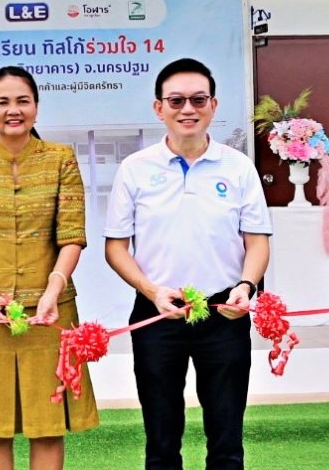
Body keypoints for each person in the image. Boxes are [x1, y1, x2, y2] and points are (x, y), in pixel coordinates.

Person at [104, 58, 272, 470]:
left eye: (198, 99)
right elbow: (116, 248)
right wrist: (151, 291)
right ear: (158, 108)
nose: (187, 109)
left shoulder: (238, 167)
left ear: (213, 105)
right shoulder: (135, 169)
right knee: (161, 441)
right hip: (157, 312)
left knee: (227, 441)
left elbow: (257, 242)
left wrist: (246, 286)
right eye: (176, 100)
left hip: (223, 311)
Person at [0, 66, 99, 470]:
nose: (14, 110)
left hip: (50, 313)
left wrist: (52, 291)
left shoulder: (61, 159)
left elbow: (72, 236)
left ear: (36, 107)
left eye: (22, 101)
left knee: (48, 426)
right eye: (3, 102)